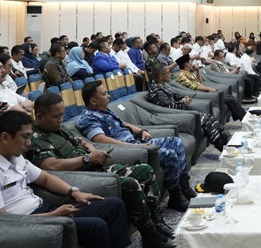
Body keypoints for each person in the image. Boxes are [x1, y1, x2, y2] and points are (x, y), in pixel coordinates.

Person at [0, 111, 131, 248]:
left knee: (114, 205)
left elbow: (44, 178)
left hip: (45, 209)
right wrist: (52, 216)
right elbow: (3, 221)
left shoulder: (14, 156)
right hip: (28, 224)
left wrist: (75, 193)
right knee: (96, 226)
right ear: (5, 137)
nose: (29, 143)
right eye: (25, 137)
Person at [28, 93, 174, 248]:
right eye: (56, 116)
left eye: (62, 115)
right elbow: (51, 165)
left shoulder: (59, 128)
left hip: (96, 169)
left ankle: (156, 220)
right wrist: (86, 159)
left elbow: (83, 142)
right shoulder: (36, 138)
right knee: (130, 184)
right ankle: (149, 233)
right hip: (82, 177)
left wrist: (93, 152)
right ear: (39, 116)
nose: (60, 119)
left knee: (145, 171)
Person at [76, 81, 193, 212]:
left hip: (136, 143)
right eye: (104, 94)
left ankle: (184, 186)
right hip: (129, 150)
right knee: (169, 154)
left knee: (175, 142)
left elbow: (123, 123)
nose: (108, 96)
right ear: (93, 101)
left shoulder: (104, 111)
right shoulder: (87, 118)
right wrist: (132, 146)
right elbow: (100, 139)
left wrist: (140, 131)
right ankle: (175, 196)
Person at [146, 62, 230, 152]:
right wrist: (183, 102)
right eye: (168, 72)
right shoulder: (157, 90)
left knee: (208, 116)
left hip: (179, 112)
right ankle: (221, 145)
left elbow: (175, 96)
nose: (170, 74)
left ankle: (225, 137)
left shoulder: (163, 85)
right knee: (205, 119)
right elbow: (167, 108)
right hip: (171, 116)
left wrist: (183, 98)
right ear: (161, 76)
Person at [176, 55, 245, 120]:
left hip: (204, 91)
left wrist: (197, 71)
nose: (192, 64)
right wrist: (208, 89)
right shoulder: (182, 75)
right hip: (200, 93)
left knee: (230, 97)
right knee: (229, 99)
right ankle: (243, 118)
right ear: (186, 64)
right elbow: (193, 87)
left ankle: (242, 118)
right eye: (190, 62)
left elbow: (199, 82)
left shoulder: (189, 72)